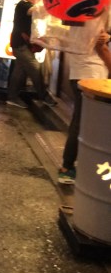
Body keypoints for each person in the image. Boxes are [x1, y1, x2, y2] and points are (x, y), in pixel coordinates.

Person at [58, 29, 111, 184]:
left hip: (78, 72)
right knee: (85, 122)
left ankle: (71, 167)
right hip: (93, 75)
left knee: (81, 120)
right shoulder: (98, 15)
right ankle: (68, 168)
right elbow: (101, 47)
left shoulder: (78, 15)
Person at [6, 0, 57, 108]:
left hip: (22, 44)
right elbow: (34, 10)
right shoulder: (23, 5)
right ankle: (44, 96)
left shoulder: (28, 5)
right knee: (35, 68)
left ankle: (12, 97)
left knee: (19, 71)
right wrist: (48, 1)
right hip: (20, 45)